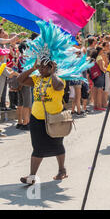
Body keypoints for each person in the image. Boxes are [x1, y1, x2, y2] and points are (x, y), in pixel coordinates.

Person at [18, 20, 91, 185]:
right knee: (37, 147)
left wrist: (52, 72)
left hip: (55, 117)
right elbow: (20, 80)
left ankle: (61, 169)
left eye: (45, 67)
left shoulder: (58, 80)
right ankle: (32, 176)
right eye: (41, 67)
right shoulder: (36, 78)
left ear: (52, 67)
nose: (42, 69)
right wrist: (33, 68)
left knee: (57, 145)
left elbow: (58, 87)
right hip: (37, 118)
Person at [0, 48, 19, 137]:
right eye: (4, 55)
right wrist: (17, 74)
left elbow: (6, 69)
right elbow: (9, 74)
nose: (5, 56)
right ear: (0, 56)